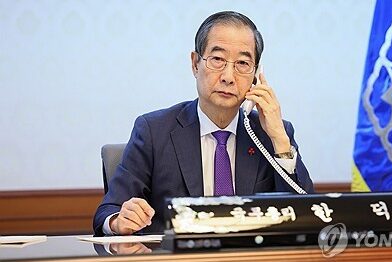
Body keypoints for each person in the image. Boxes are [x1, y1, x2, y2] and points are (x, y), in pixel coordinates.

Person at [93, 11, 314, 236]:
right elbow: (108, 212)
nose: (229, 76)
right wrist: (118, 221)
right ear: (195, 64)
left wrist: (280, 142)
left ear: (255, 76)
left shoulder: (272, 134)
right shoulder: (153, 131)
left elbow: (308, 217)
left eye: (243, 63)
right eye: (218, 59)